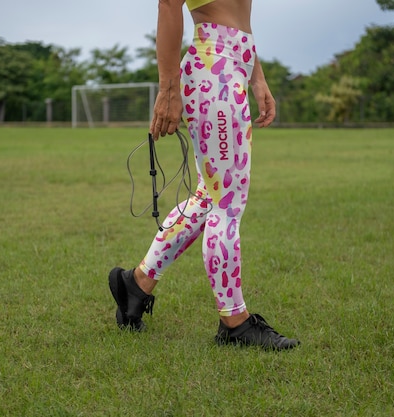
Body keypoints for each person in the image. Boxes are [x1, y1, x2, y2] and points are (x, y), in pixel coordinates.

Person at [108, 0, 298, 350]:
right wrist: (168, 88)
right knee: (226, 203)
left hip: (233, 64)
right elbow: (168, 4)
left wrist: (257, 76)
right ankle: (235, 324)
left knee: (209, 197)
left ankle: (135, 285)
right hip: (214, 67)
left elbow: (240, 16)